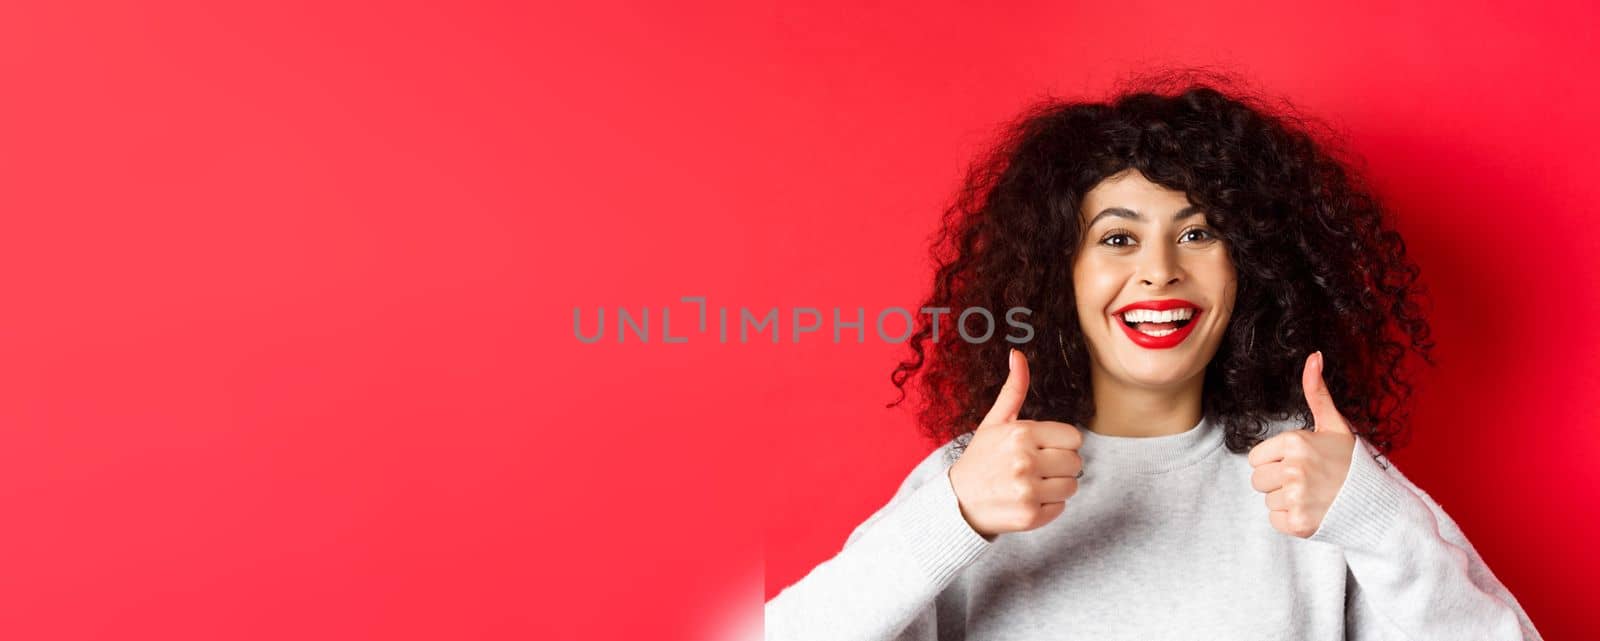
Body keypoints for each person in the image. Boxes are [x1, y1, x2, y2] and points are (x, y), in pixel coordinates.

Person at [763, 72, 1544, 640]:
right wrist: (952, 515)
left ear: (1251, 267)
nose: (1161, 269)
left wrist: (1375, 520)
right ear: (1058, 273)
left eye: (1199, 233)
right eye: (1117, 237)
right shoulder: (977, 481)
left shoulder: (1326, 477)